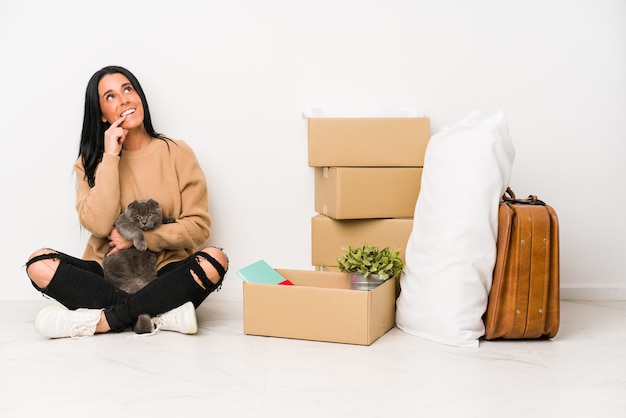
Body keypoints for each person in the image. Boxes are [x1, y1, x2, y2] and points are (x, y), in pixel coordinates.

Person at [25, 65, 229, 339]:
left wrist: (140, 238)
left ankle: (102, 321)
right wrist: (110, 157)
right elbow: (98, 224)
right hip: (106, 272)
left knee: (215, 260)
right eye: (110, 97)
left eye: (127, 89)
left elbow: (198, 228)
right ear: (101, 114)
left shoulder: (177, 152)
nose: (123, 100)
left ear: (139, 96)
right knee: (38, 263)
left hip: (163, 272)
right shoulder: (90, 163)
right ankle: (160, 313)